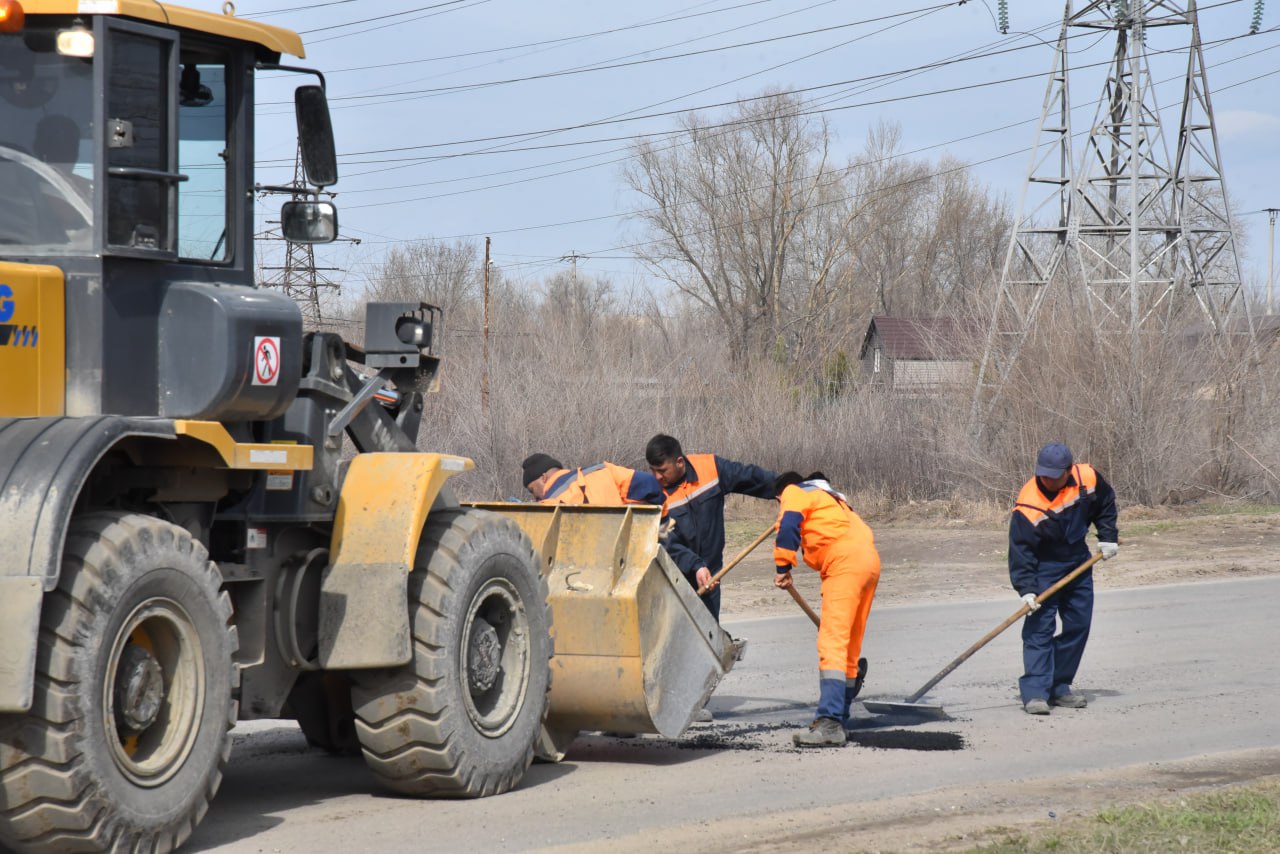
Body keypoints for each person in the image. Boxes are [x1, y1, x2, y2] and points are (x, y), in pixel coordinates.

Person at [1009, 442, 1119, 716]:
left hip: (1078, 561)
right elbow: (1020, 549)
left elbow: (1105, 503)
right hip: (1043, 566)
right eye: (1043, 473)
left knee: (1078, 625)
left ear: (1068, 470)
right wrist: (1026, 589)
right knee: (1039, 630)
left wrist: (1107, 536)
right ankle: (1035, 692)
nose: (1047, 480)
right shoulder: (1029, 501)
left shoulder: (1087, 477)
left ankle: (1059, 686)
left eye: (1054, 475)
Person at [773, 471, 881, 747]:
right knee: (849, 644)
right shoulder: (832, 499)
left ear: (780, 493)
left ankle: (830, 722)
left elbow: (787, 527)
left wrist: (783, 566)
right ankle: (839, 719)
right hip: (868, 561)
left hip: (843, 561)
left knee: (832, 641)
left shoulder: (794, 492)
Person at [645, 434, 777, 622]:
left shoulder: (710, 468)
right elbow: (666, 541)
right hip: (677, 578)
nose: (657, 477)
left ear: (680, 462)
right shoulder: (655, 496)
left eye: (662, 470)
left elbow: (750, 477)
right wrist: (696, 566)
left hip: (712, 574)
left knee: (708, 630)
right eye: (653, 471)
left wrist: (785, 487)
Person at [521, 453, 664, 507]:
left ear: (544, 478)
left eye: (532, 490)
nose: (535, 498)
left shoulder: (547, 506)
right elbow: (649, 484)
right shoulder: (604, 471)